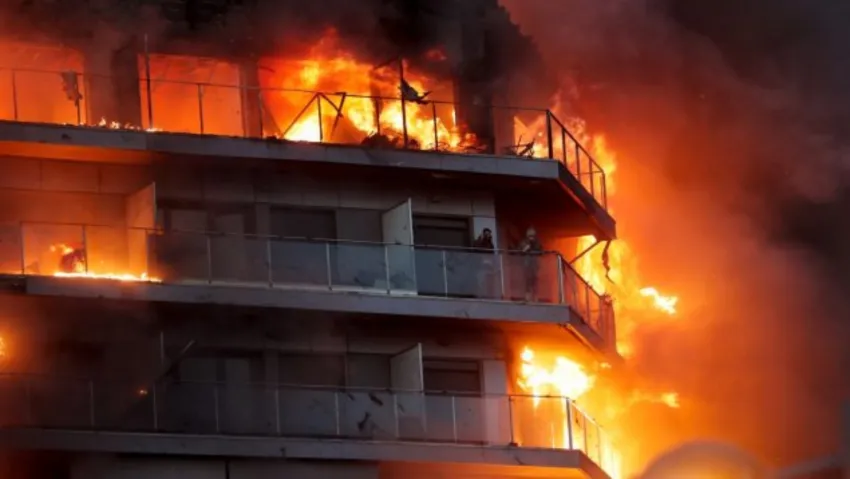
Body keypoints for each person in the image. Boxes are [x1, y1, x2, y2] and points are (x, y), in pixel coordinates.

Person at [518, 227, 543, 301]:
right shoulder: (524, 243)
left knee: (535, 281)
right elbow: (519, 251)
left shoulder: (537, 243)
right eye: (530, 236)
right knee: (527, 281)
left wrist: (536, 249)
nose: (531, 238)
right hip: (527, 264)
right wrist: (525, 249)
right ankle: (527, 297)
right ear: (527, 236)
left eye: (533, 236)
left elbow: (541, 252)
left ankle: (535, 297)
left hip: (534, 265)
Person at [473, 228, 496, 298]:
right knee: (481, 281)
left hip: (488, 265)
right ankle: (480, 295)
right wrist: (481, 239)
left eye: (489, 234)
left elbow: (492, 252)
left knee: (489, 281)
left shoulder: (490, 244)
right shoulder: (479, 242)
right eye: (486, 234)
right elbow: (476, 248)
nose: (488, 236)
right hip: (480, 265)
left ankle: (489, 295)